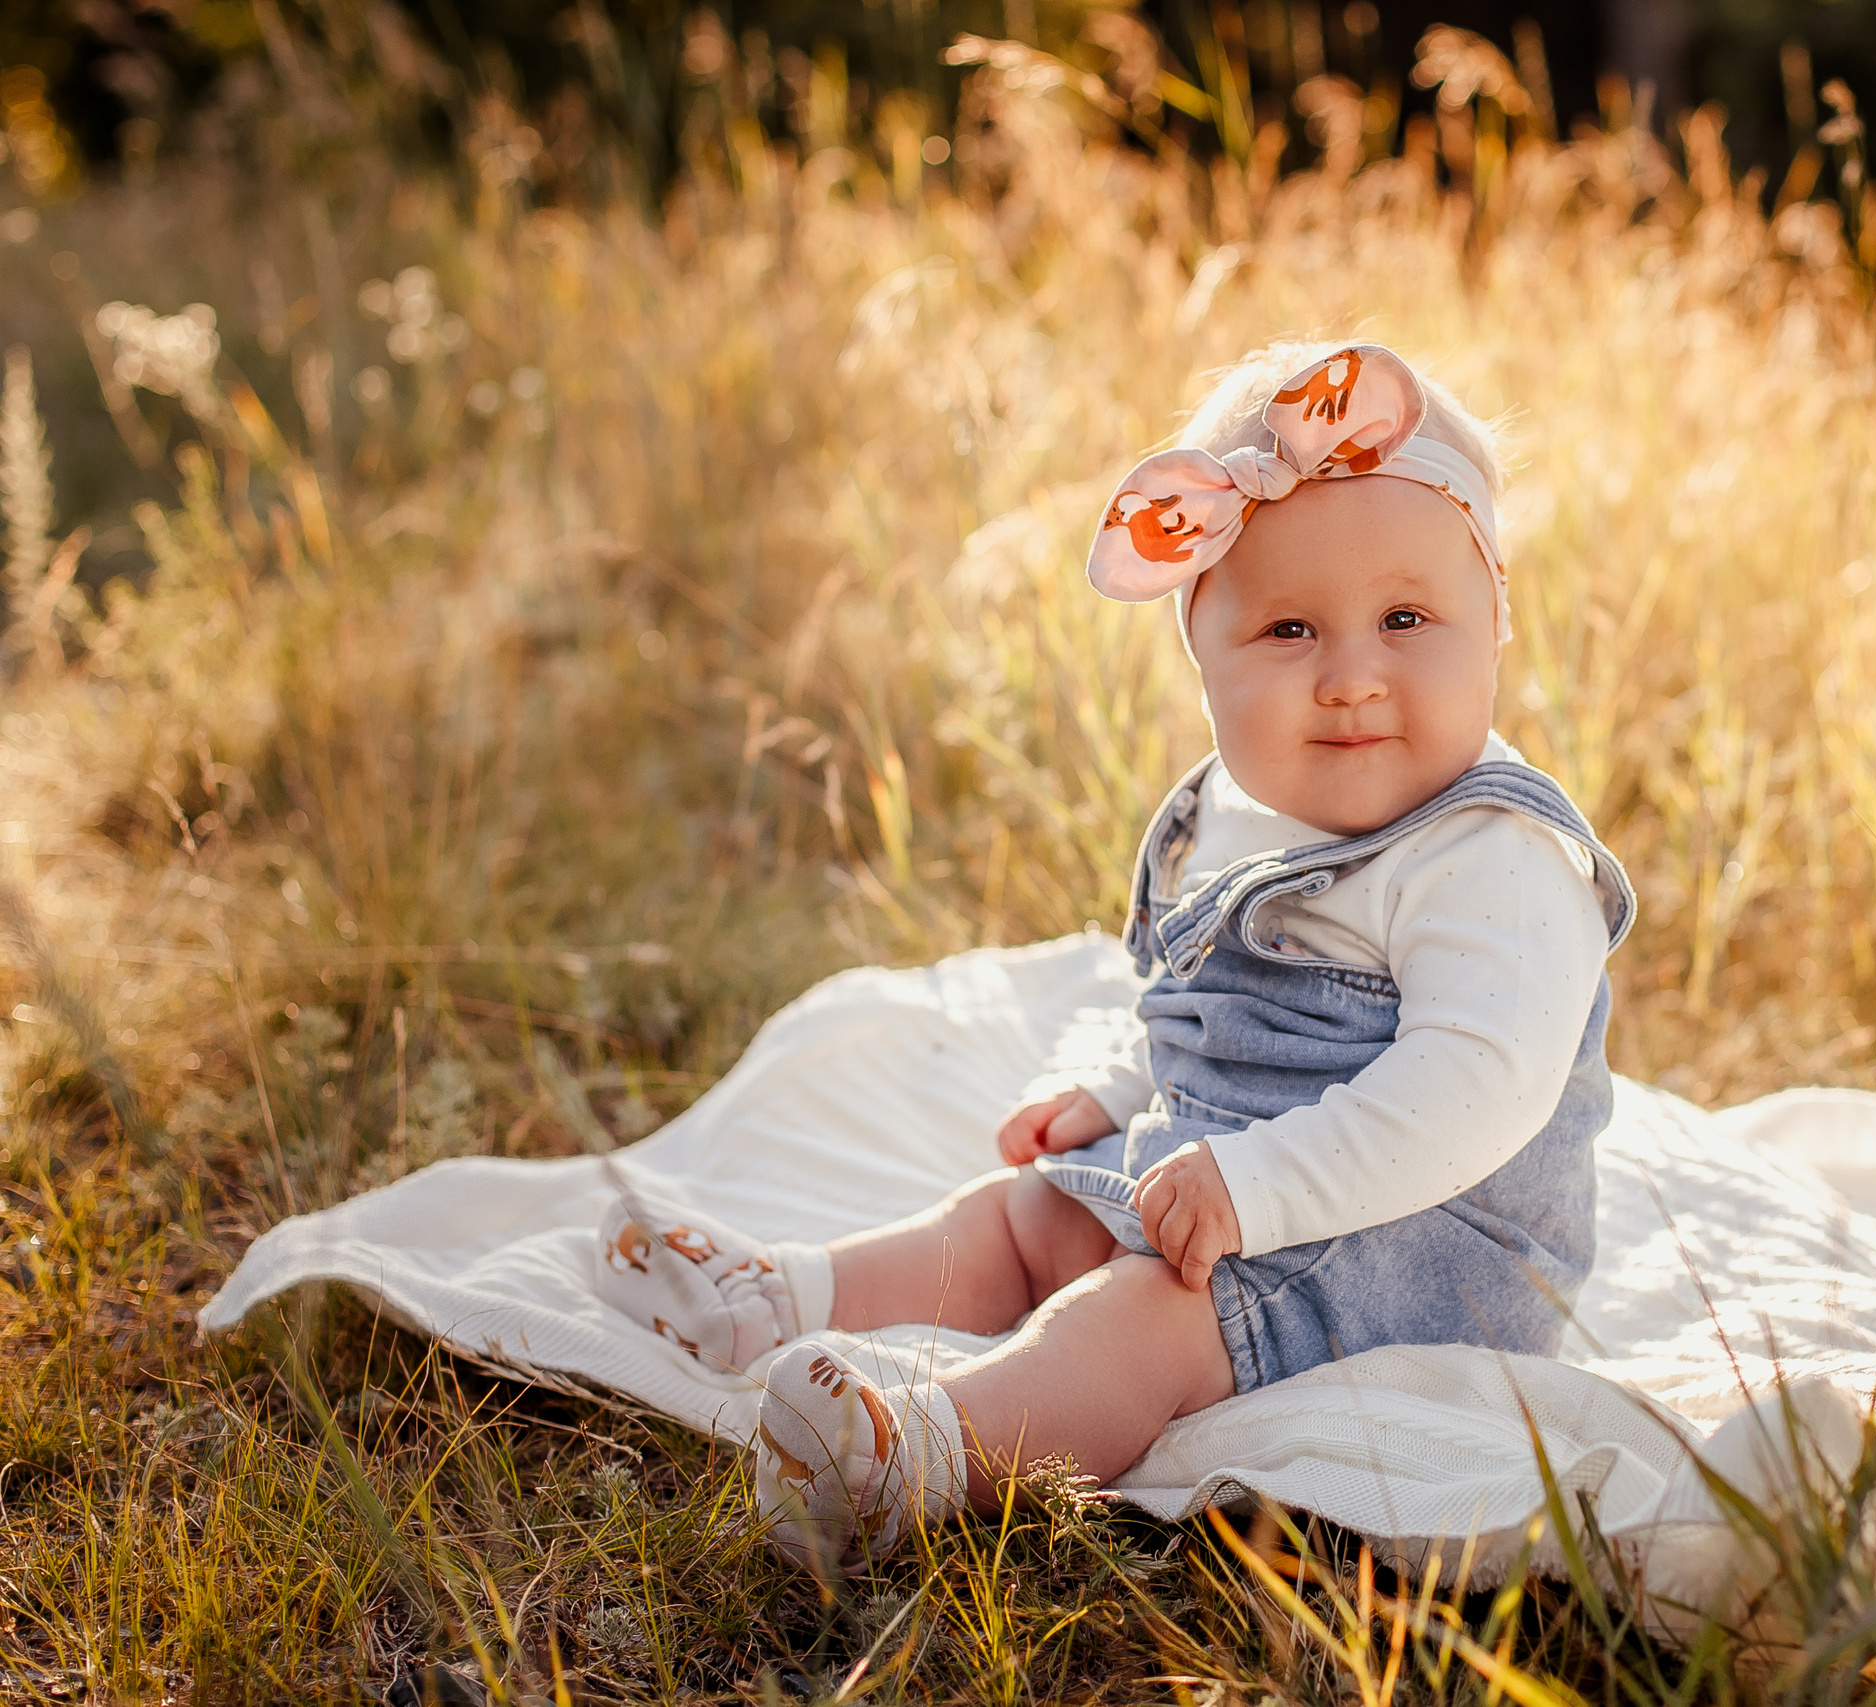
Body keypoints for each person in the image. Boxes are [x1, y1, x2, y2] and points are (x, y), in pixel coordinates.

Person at [593, 341, 1636, 1571]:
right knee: (1028, 1218)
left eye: (1406, 618)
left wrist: (1260, 1190)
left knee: (1140, 1319)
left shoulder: (1493, 858)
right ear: (1201, 653)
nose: (1352, 677)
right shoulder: (1241, 815)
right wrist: (1113, 1087)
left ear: (1497, 612)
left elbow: (1474, 1091)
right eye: (1289, 629)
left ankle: (915, 1459)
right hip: (1234, 1184)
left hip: (1417, 1256)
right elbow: (1184, 994)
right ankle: (777, 1296)